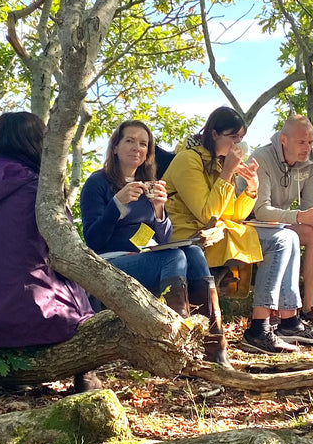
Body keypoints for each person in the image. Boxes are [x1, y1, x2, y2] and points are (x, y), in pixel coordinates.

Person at [0, 112, 98, 383]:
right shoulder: (41, 191)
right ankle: (85, 374)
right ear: (40, 145)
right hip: (36, 315)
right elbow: (66, 252)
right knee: (77, 284)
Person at [80, 120, 229, 365]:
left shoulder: (148, 183)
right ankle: (177, 344)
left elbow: (162, 240)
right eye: (129, 141)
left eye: (143, 144)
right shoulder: (98, 183)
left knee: (191, 252)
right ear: (115, 147)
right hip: (111, 264)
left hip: (147, 258)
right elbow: (94, 240)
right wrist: (116, 205)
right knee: (175, 257)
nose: (136, 148)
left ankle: (214, 346)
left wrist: (159, 210)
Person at [165, 106, 294, 354]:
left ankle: (268, 324)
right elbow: (206, 213)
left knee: (287, 236)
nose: (238, 145)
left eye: (241, 139)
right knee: (280, 241)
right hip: (188, 236)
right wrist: (227, 173)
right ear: (214, 134)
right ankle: (260, 328)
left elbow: (234, 214)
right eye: (233, 138)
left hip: (216, 232)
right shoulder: (188, 160)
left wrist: (251, 189)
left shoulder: (221, 163)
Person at [250, 115, 313, 330]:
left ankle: (309, 307)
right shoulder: (262, 158)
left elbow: (310, 205)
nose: (307, 148)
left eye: (310, 142)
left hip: (281, 222)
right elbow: (260, 211)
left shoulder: (309, 162)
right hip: (251, 224)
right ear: (284, 140)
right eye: (302, 142)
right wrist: (301, 217)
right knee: (286, 237)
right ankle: (276, 310)